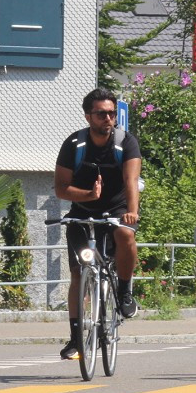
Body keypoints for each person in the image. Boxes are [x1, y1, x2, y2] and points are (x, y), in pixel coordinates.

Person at [54, 88, 142, 360]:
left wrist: (132, 212)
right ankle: (76, 338)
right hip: (83, 210)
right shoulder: (74, 145)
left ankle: (125, 291)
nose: (108, 118)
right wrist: (89, 195)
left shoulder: (125, 142)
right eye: (101, 113)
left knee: (126, 235)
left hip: (117, 209)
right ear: (88, 116)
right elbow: (61, 188)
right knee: (79, 275)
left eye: (111, 113)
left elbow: (131, 182)